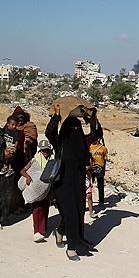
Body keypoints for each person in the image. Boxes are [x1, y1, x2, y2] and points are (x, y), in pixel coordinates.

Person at [45, 103, 99, 261]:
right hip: (63, 182)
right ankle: (72, 247)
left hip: (79, 180)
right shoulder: (60, 141)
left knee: (79, 211)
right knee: (71, 213)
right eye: (72, 128)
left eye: (78, 128)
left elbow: (96, 135)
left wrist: (94, 120)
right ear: (66, 129)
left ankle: (71, 236)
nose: (75, 130)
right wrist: (57, 116)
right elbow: (49, 133)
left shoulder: (82, 141)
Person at [19, 139, 53, 243]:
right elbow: (22, 171)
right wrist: (28, 177)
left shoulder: (51, 161)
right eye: (43, 151)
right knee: (37, 209)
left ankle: (42, 229)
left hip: (46, 189)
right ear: (40, 151)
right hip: (35, 188)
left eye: (47, 150)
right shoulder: (34, 160)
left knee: (45, 208)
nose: (45, 152)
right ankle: (37, 231)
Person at [89, 132, 108, 205]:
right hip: (92, 167)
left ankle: (101, 200)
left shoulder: (103, 148)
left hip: (100, 168)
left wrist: (104, 169)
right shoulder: (90, 147)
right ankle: (89, 199)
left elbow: (105, 159)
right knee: (89, 184)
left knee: (100, 185)